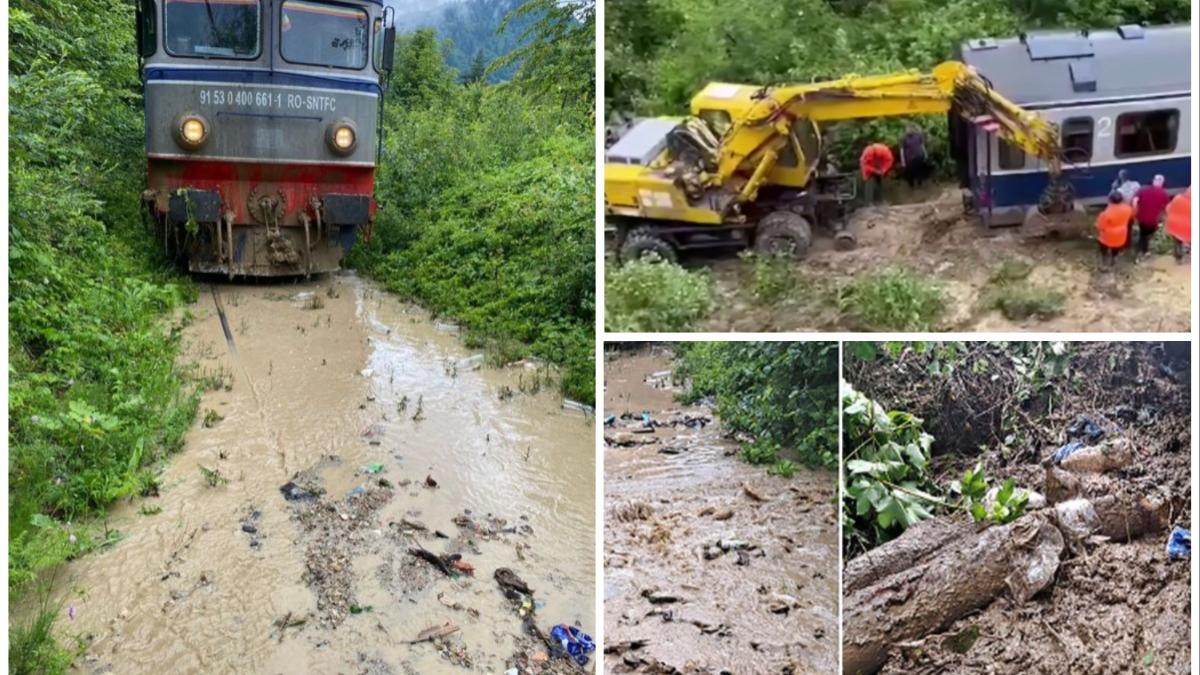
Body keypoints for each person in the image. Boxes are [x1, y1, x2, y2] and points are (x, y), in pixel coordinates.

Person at [1133, 175, 1171, 258]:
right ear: (1162, 183)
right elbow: (1168, 208)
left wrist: (1135, 212)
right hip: (1153, 220)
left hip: (1141, 217)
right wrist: (1165, 217)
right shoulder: (1164, 193)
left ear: (1153, 181)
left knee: (1143, 233)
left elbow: (1135, 200)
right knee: (1148, 233)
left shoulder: (1143, 189)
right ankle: (1144, 248)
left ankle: (1142, 248)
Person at [1095, 191, 1132, 270]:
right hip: (1121, 234)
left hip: (1107, 236)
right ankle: (1114, 258)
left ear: (1110, 200)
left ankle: (1104, 260)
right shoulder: (1128, 209)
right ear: (1122, 200)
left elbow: (1100, 227)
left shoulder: (1105, 214)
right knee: (1116, 247)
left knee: (1103, 246)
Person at [1164, 187, 1191, 263]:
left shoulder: (1177, 197)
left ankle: (1178, 258)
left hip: (1174, 225)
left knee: (1177, 242)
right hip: (1187, 227)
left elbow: (1167, 208)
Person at [899, 125, 930, 190]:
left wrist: (925, 154)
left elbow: (922, 145)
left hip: (919, 156)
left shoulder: (918, 136)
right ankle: (911, 187)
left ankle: (920, 185)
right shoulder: (904, 138)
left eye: (910, 129)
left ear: (913, 130)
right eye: (907, 129)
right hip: (909, 159)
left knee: (919, 172)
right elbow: (901, 150)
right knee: (910, 174)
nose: (909, 130)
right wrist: (903, 161)